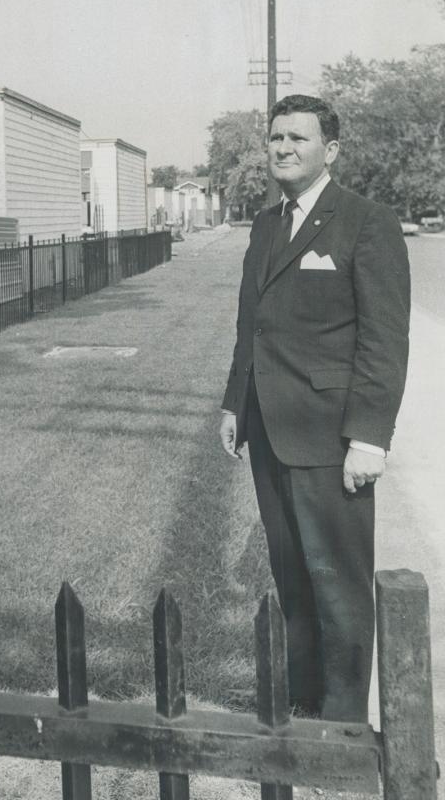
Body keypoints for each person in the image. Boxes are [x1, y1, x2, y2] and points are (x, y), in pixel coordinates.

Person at [220, 94, 410, 723]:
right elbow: (253, 325)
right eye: (275, 138)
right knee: (293, 576)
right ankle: (302, 703)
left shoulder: (365, 221)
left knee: (340, 585)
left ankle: (346, 718)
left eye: (298, 139)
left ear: (330, 150)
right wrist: (234, 405)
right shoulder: (266, 224)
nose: (283, 148)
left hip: (330, 439)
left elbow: (384, 341)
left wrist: (369, 438)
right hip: (271, 431)